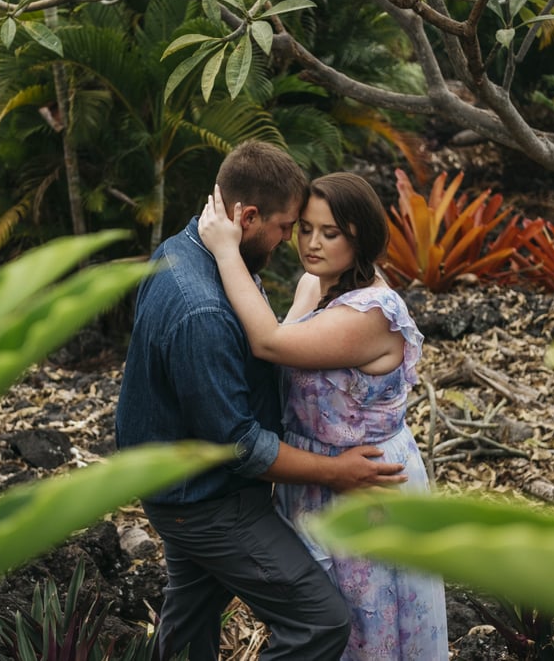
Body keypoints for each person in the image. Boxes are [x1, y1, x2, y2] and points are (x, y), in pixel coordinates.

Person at [114, 141, 408, 661]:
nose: (291, 241)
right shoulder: (202, 310)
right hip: (209, 501)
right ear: (246, 217)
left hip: (175, 483)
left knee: (188, 630)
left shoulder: (185, 248)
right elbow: (242, 446)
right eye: (287, 226)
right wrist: (333, 471)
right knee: (319, 624)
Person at [198, 171, 448, 660]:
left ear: (361, 237)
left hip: (366, 483)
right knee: (324, 623)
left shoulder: (372, 312)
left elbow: (270, 343)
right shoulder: (316, 284)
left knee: (365, 628)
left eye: (329, 233)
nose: (312, 244)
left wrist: (227, 251)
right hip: (317, 476)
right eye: (306, 228)